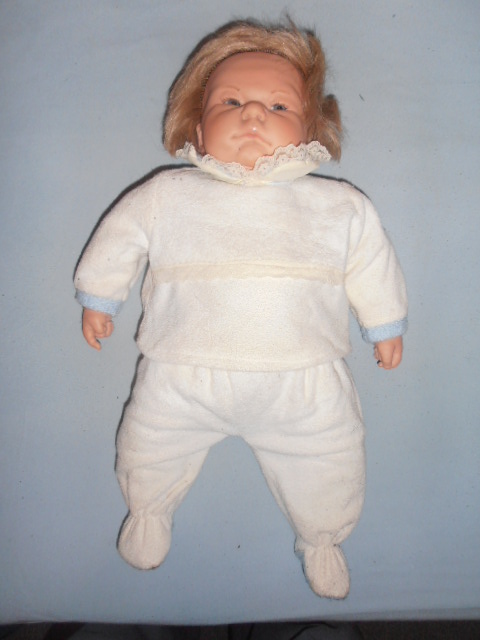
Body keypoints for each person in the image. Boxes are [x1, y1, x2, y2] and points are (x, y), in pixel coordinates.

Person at [74, 18, 407, 599]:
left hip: (303, 379)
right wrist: (102, 294)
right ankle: (148, 510)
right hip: (181, 370)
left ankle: (322, 537)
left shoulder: (339, 207)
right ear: (197, 126)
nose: (253, 114)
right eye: (231, 102)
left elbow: (370, 263)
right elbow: (121, 236)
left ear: (311, 129)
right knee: (149, 439)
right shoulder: (167, 195)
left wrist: (384, 323)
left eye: (278, 106)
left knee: (329, 454)